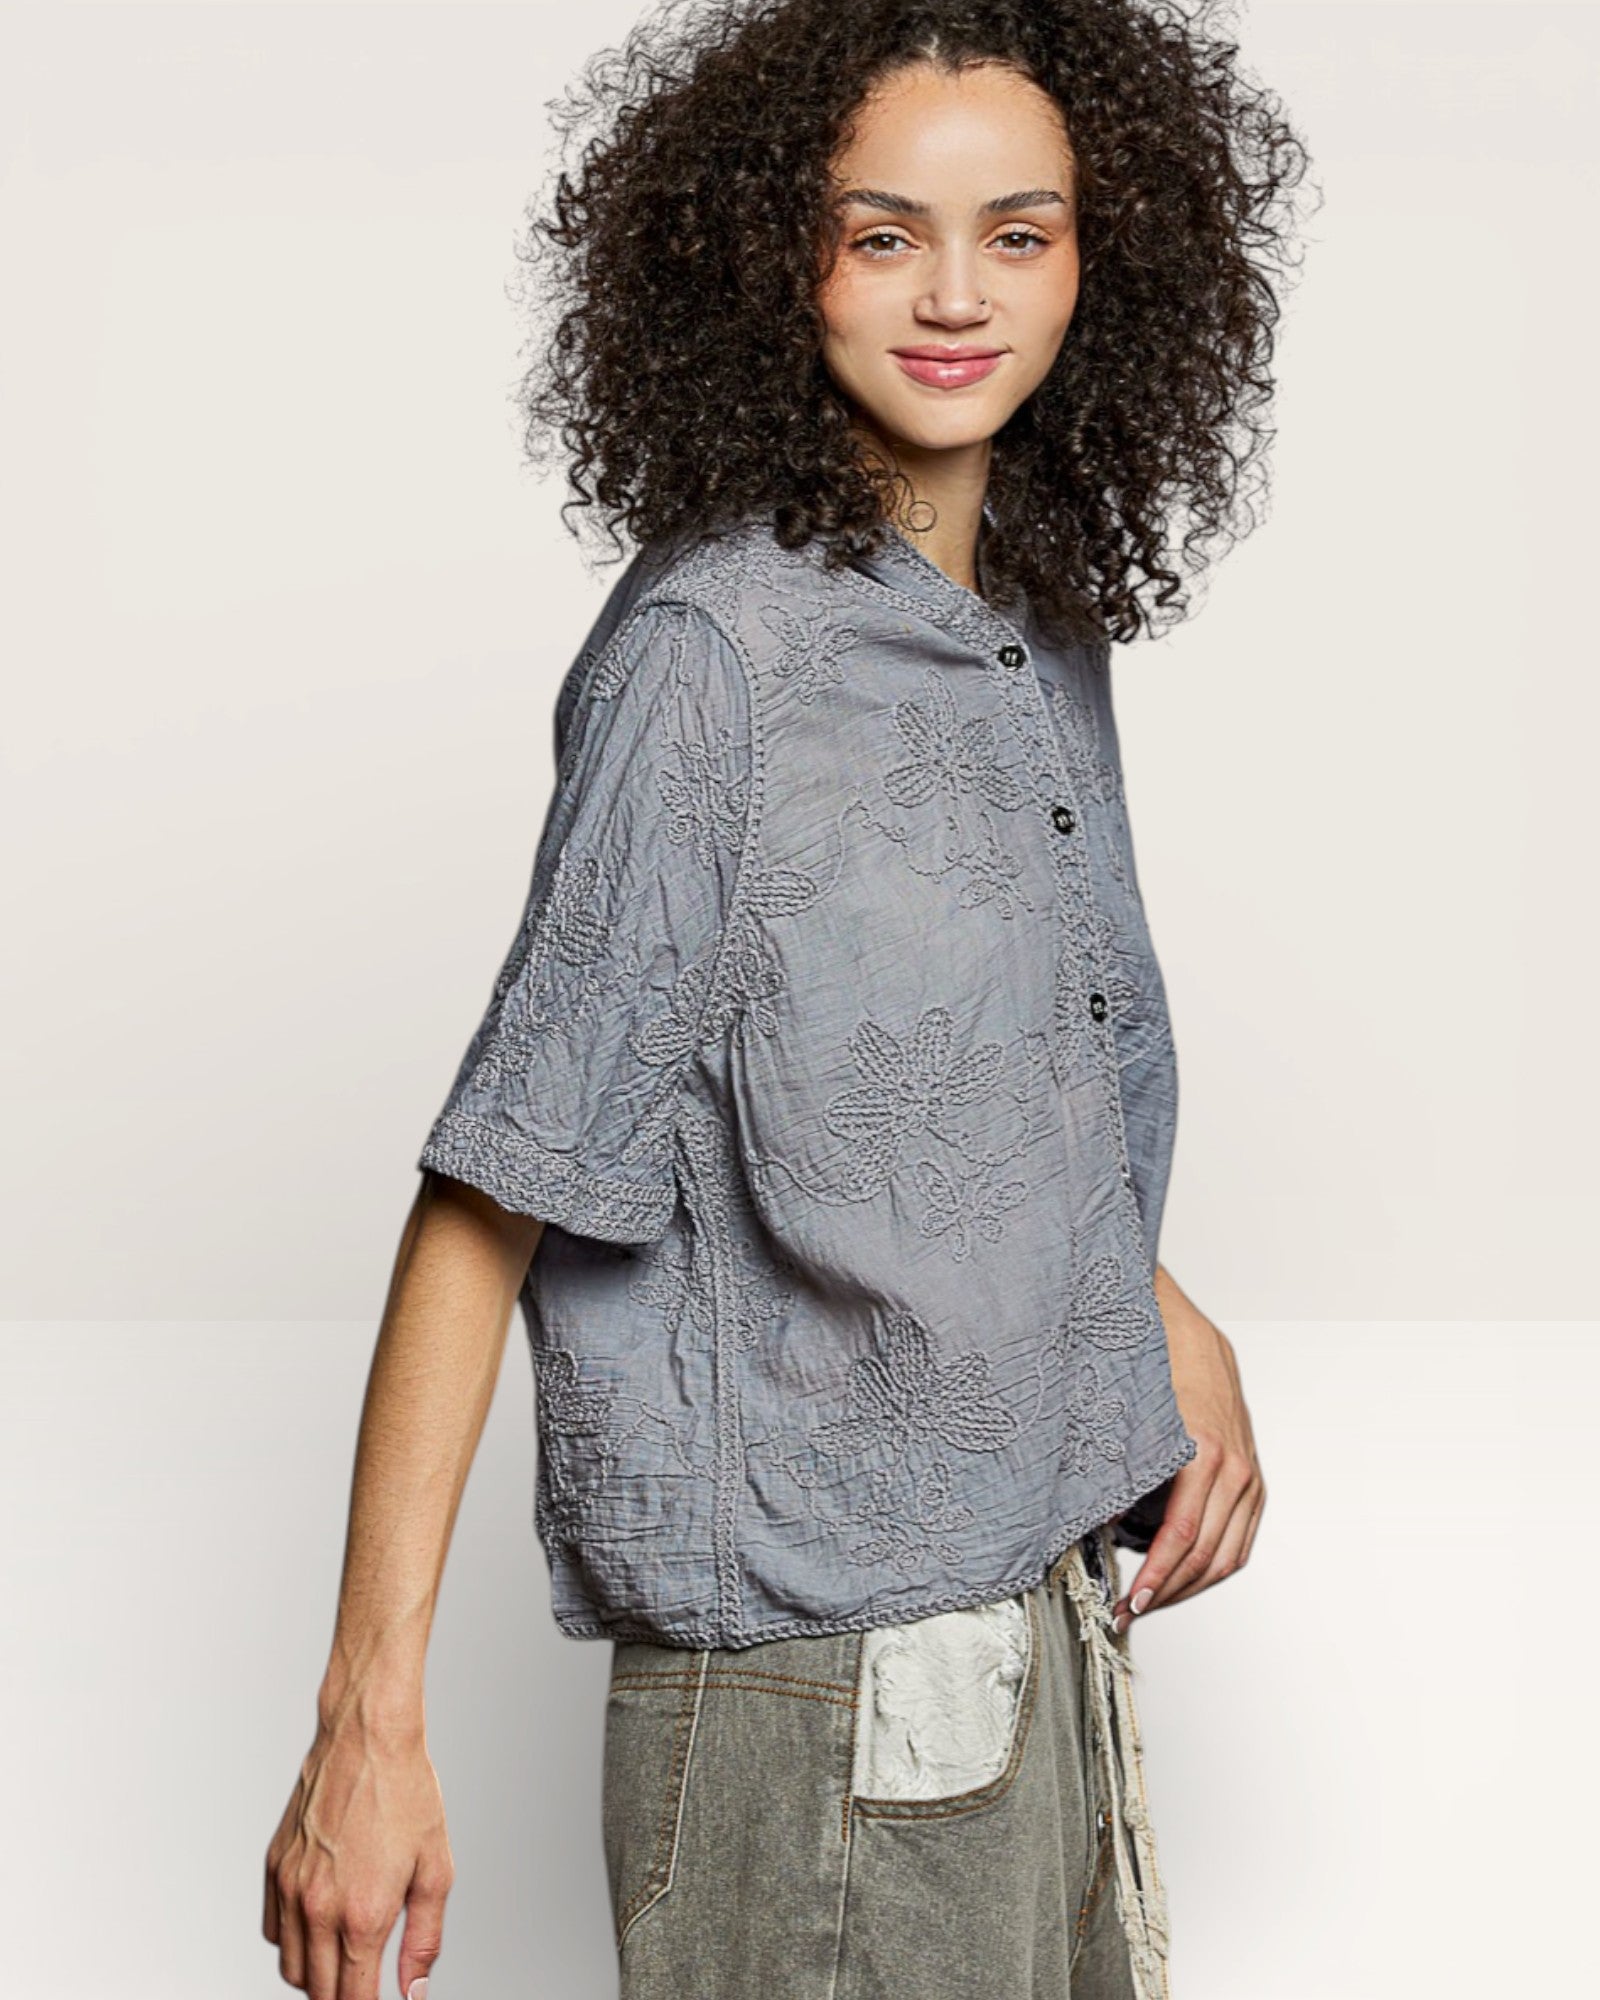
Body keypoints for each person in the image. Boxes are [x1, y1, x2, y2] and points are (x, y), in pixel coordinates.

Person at [262, 2, 1311, 1995]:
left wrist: (1143, 1316)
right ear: (767, 257)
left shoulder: (1022, 619)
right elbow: (499, 1184)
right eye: (878, 231)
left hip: (1034, 1633)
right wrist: (365, 1726)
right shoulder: (711, 664)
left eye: (1017, 232)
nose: (952, 293)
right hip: (816, 1707)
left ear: (1106, 258)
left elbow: (938, 1067)